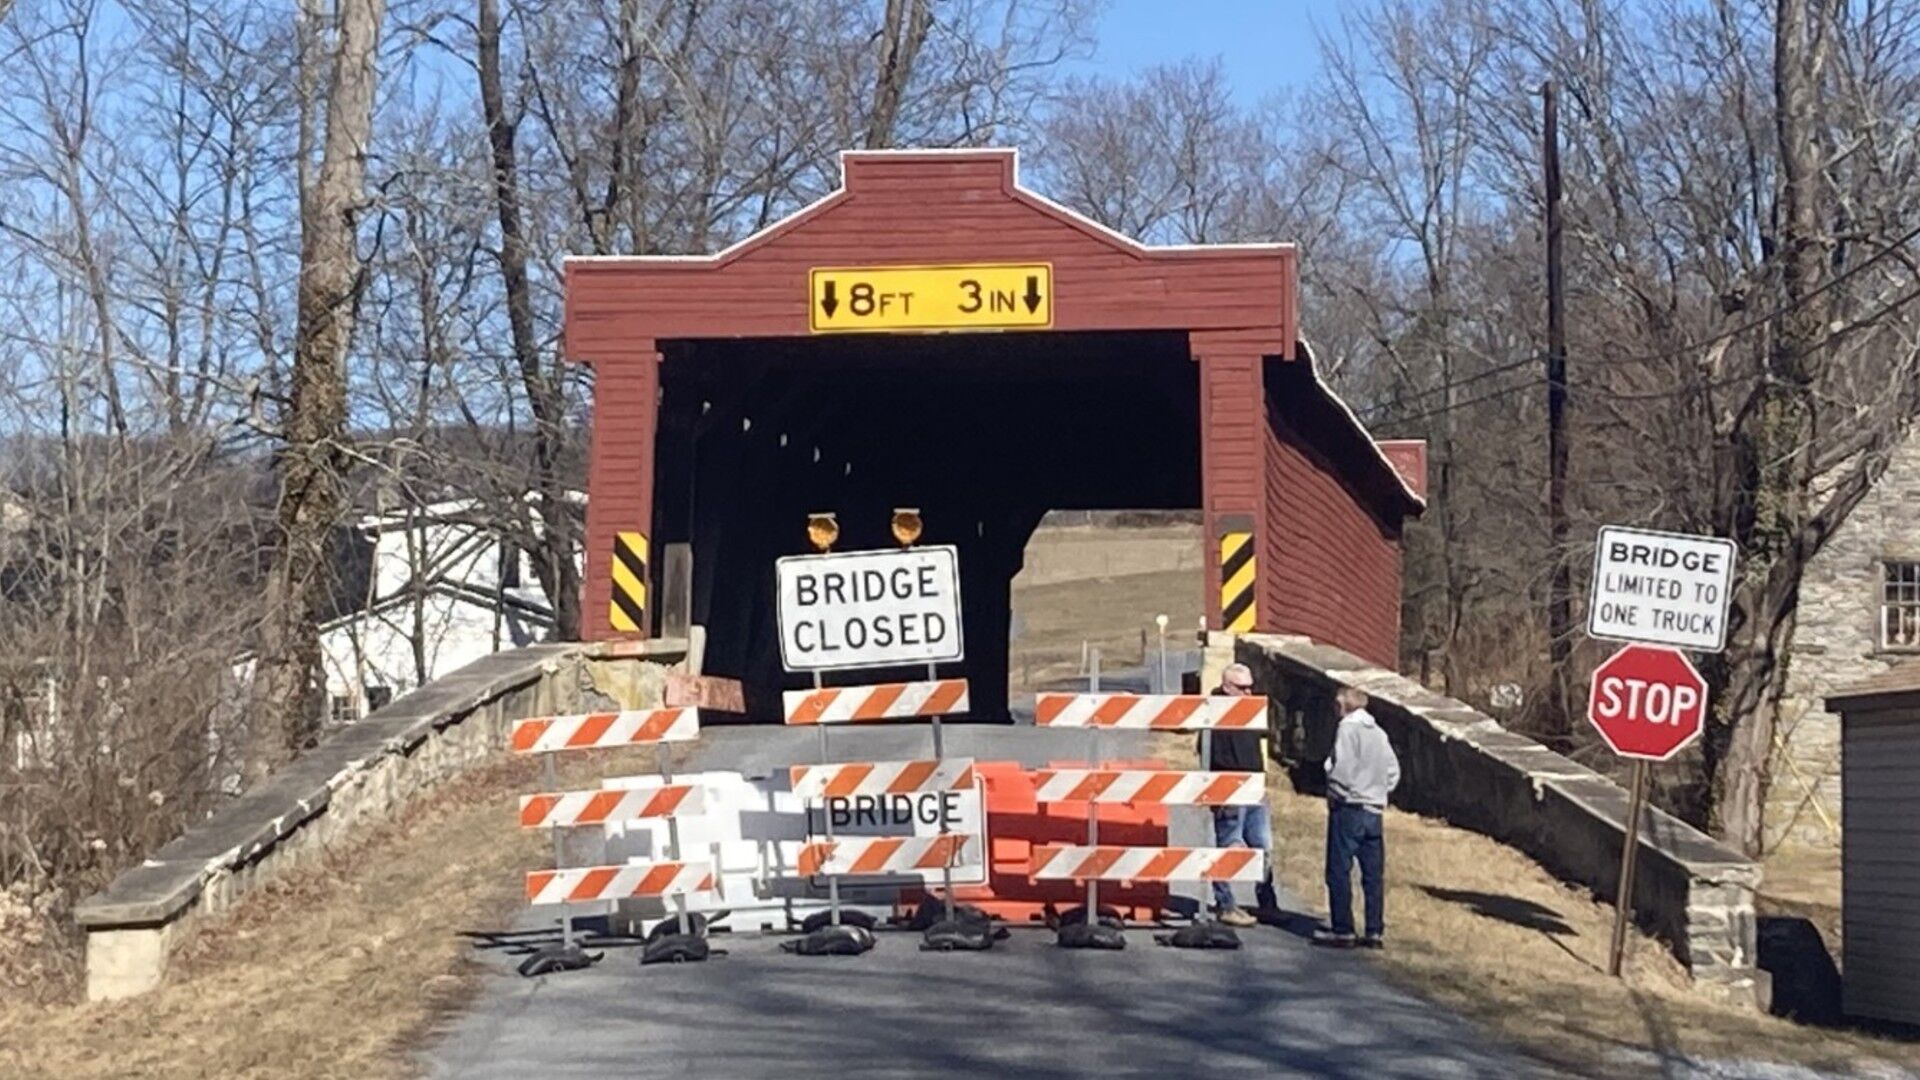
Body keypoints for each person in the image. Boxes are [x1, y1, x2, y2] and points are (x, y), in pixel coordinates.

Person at [1313, 686, 1400, 949]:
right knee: (1372, 874)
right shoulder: (1379, 733)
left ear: (1342, 707)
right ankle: (1374, 930)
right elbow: (1393, 771)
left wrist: (1335, 793)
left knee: (1339, 869)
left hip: (1350, 807)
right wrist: (1379, 791)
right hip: (1374, 809)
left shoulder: (1348, 729)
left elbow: (1342, 769)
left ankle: (1343, 929)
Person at [1204, 662, 1277, 927]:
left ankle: (1267, 902)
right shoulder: (1213, 712)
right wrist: (1219, 794)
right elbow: (1210, 755)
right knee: (1228, 847)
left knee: (1263, 846)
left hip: (1255, 789)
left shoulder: (1250, 710)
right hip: (1231, 790)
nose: (1249, 693)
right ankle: (1226, 905)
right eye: (1242, 688)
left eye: (1251, 688)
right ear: (1227, 687)